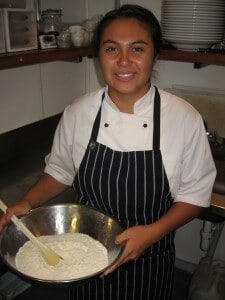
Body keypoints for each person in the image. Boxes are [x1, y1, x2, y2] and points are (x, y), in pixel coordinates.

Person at [0, 4, 216, 300]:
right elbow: (61, 171)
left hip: (148, 261)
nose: (124, 61)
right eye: (112, 49)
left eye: (137, 49)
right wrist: (26, 201)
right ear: (98, 56)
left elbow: (195, 196)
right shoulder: (78, 112)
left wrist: (151, 233)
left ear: (155, 55)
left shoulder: (183, 118)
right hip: (84, 261)